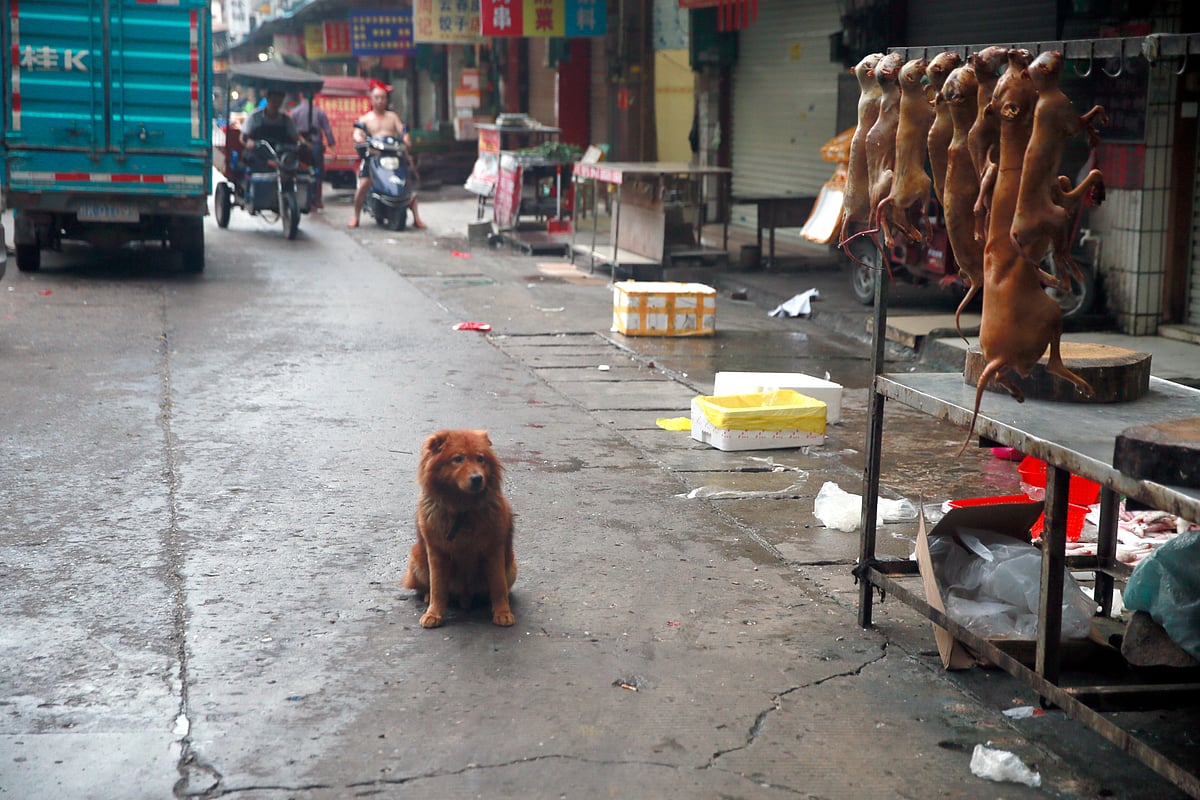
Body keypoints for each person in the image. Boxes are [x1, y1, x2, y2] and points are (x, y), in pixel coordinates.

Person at [348, 81, 425, 229]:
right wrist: (359, 138)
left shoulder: (392, 117)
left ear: (386, 99)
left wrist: (406, 138)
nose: (380, 100)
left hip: (394, 155)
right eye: (377, 97)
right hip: (374, 156)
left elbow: (402, 130)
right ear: (372, 99)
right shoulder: (366, 118)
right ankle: (356, 217)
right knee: (364, 184)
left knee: (406, 183)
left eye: (383, 97)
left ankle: (416, 218)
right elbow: (357, 133)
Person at [290, 94, 335, 209]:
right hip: (315, 146)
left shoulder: (295, 112)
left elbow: (290, 131)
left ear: (300, 96)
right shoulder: (319, 112)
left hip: (299, 147)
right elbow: (328, 130)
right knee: (318, 173)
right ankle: (317, 200)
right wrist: (332, 148)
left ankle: (301, 197)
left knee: (298, 171)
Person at [240, 87, 299, 170]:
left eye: (279, 102)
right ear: (267, 99)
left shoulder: (286, 120)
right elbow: (243, 137)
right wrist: (249, 142)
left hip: (281, 156)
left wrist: (302, 144)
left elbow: (295, 138)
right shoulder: (255, 117)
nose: (276, 105)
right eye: (274, 101)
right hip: (259, 155)